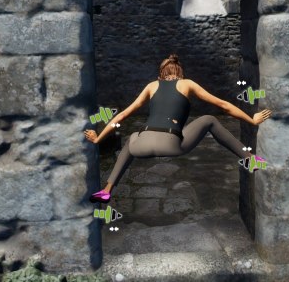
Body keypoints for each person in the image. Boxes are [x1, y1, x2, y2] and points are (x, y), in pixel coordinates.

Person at [84, 54, 272, 203]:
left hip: (140, 145)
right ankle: (249, 159)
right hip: (171, 143)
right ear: (180, 73)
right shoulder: (187, 83)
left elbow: (122, 115)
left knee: (133, 135)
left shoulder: (151, 85)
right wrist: (251, 119)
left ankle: (106, 190)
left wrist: (98, 138)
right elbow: (223, 105)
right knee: (209, 119)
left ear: (161, 75)